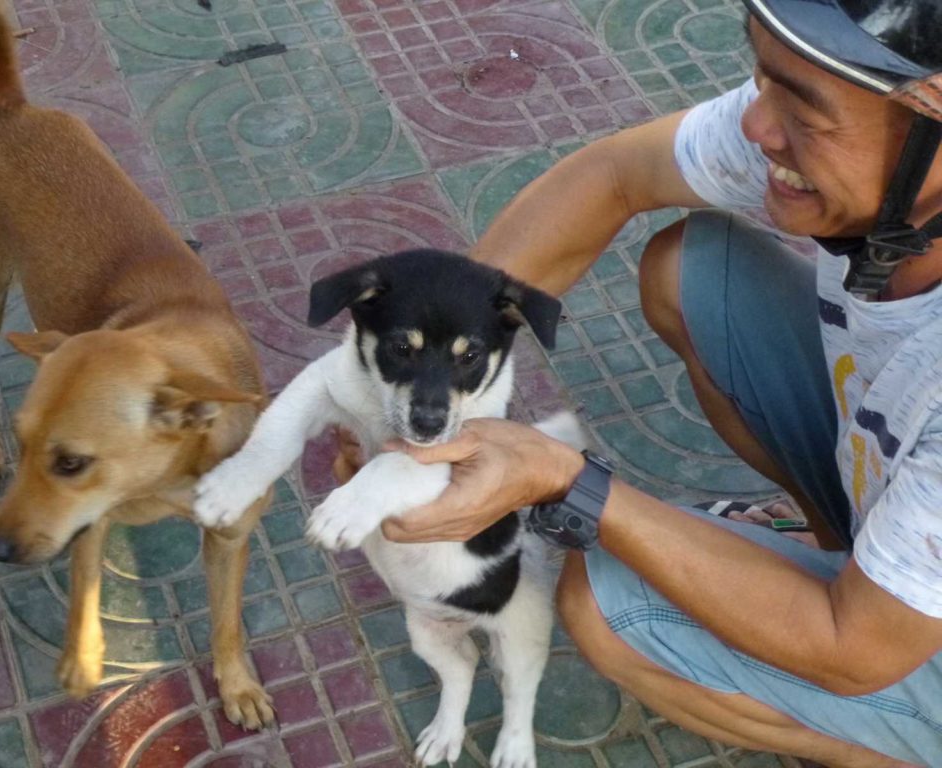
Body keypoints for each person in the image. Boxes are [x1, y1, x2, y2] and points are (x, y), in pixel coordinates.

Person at [361, 0, 942, 765]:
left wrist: (566, 482)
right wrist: (434, 371)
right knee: (694, 272)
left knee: (608, 606)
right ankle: (837, 544)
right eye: (764, 80)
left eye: (803, 109)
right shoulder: (862, 135)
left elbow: (855, 645)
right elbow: (614, 174)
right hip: (895, 470)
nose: (757, 128)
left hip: (878, 639)